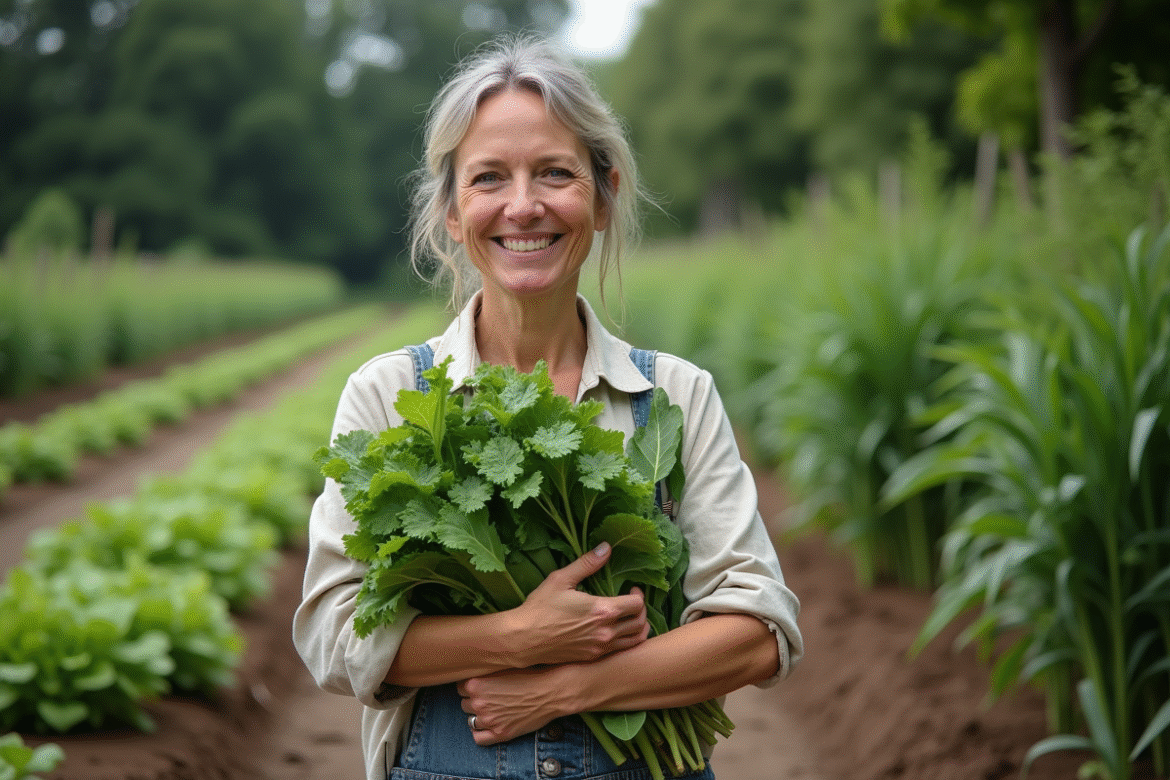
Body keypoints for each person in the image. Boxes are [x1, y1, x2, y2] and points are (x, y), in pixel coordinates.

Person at [293, 34, 803, 780]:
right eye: (489, 178)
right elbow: (334, 639)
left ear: (603, 197)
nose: (524, 206)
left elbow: (760, 633)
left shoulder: (673, 396)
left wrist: (573, 683)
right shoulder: (390, 396)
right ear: (451, 212)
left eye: (556, 174)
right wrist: (517, 635)